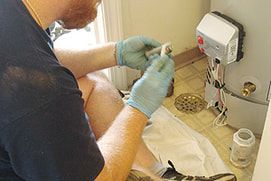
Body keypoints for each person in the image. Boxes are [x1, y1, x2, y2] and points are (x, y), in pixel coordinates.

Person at [0, 0, 237, 180]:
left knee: (92, 78)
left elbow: (46, 58)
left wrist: (117, 53)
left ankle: (159, 174)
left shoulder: (18, 12)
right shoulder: (41, 95)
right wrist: (138, 108)